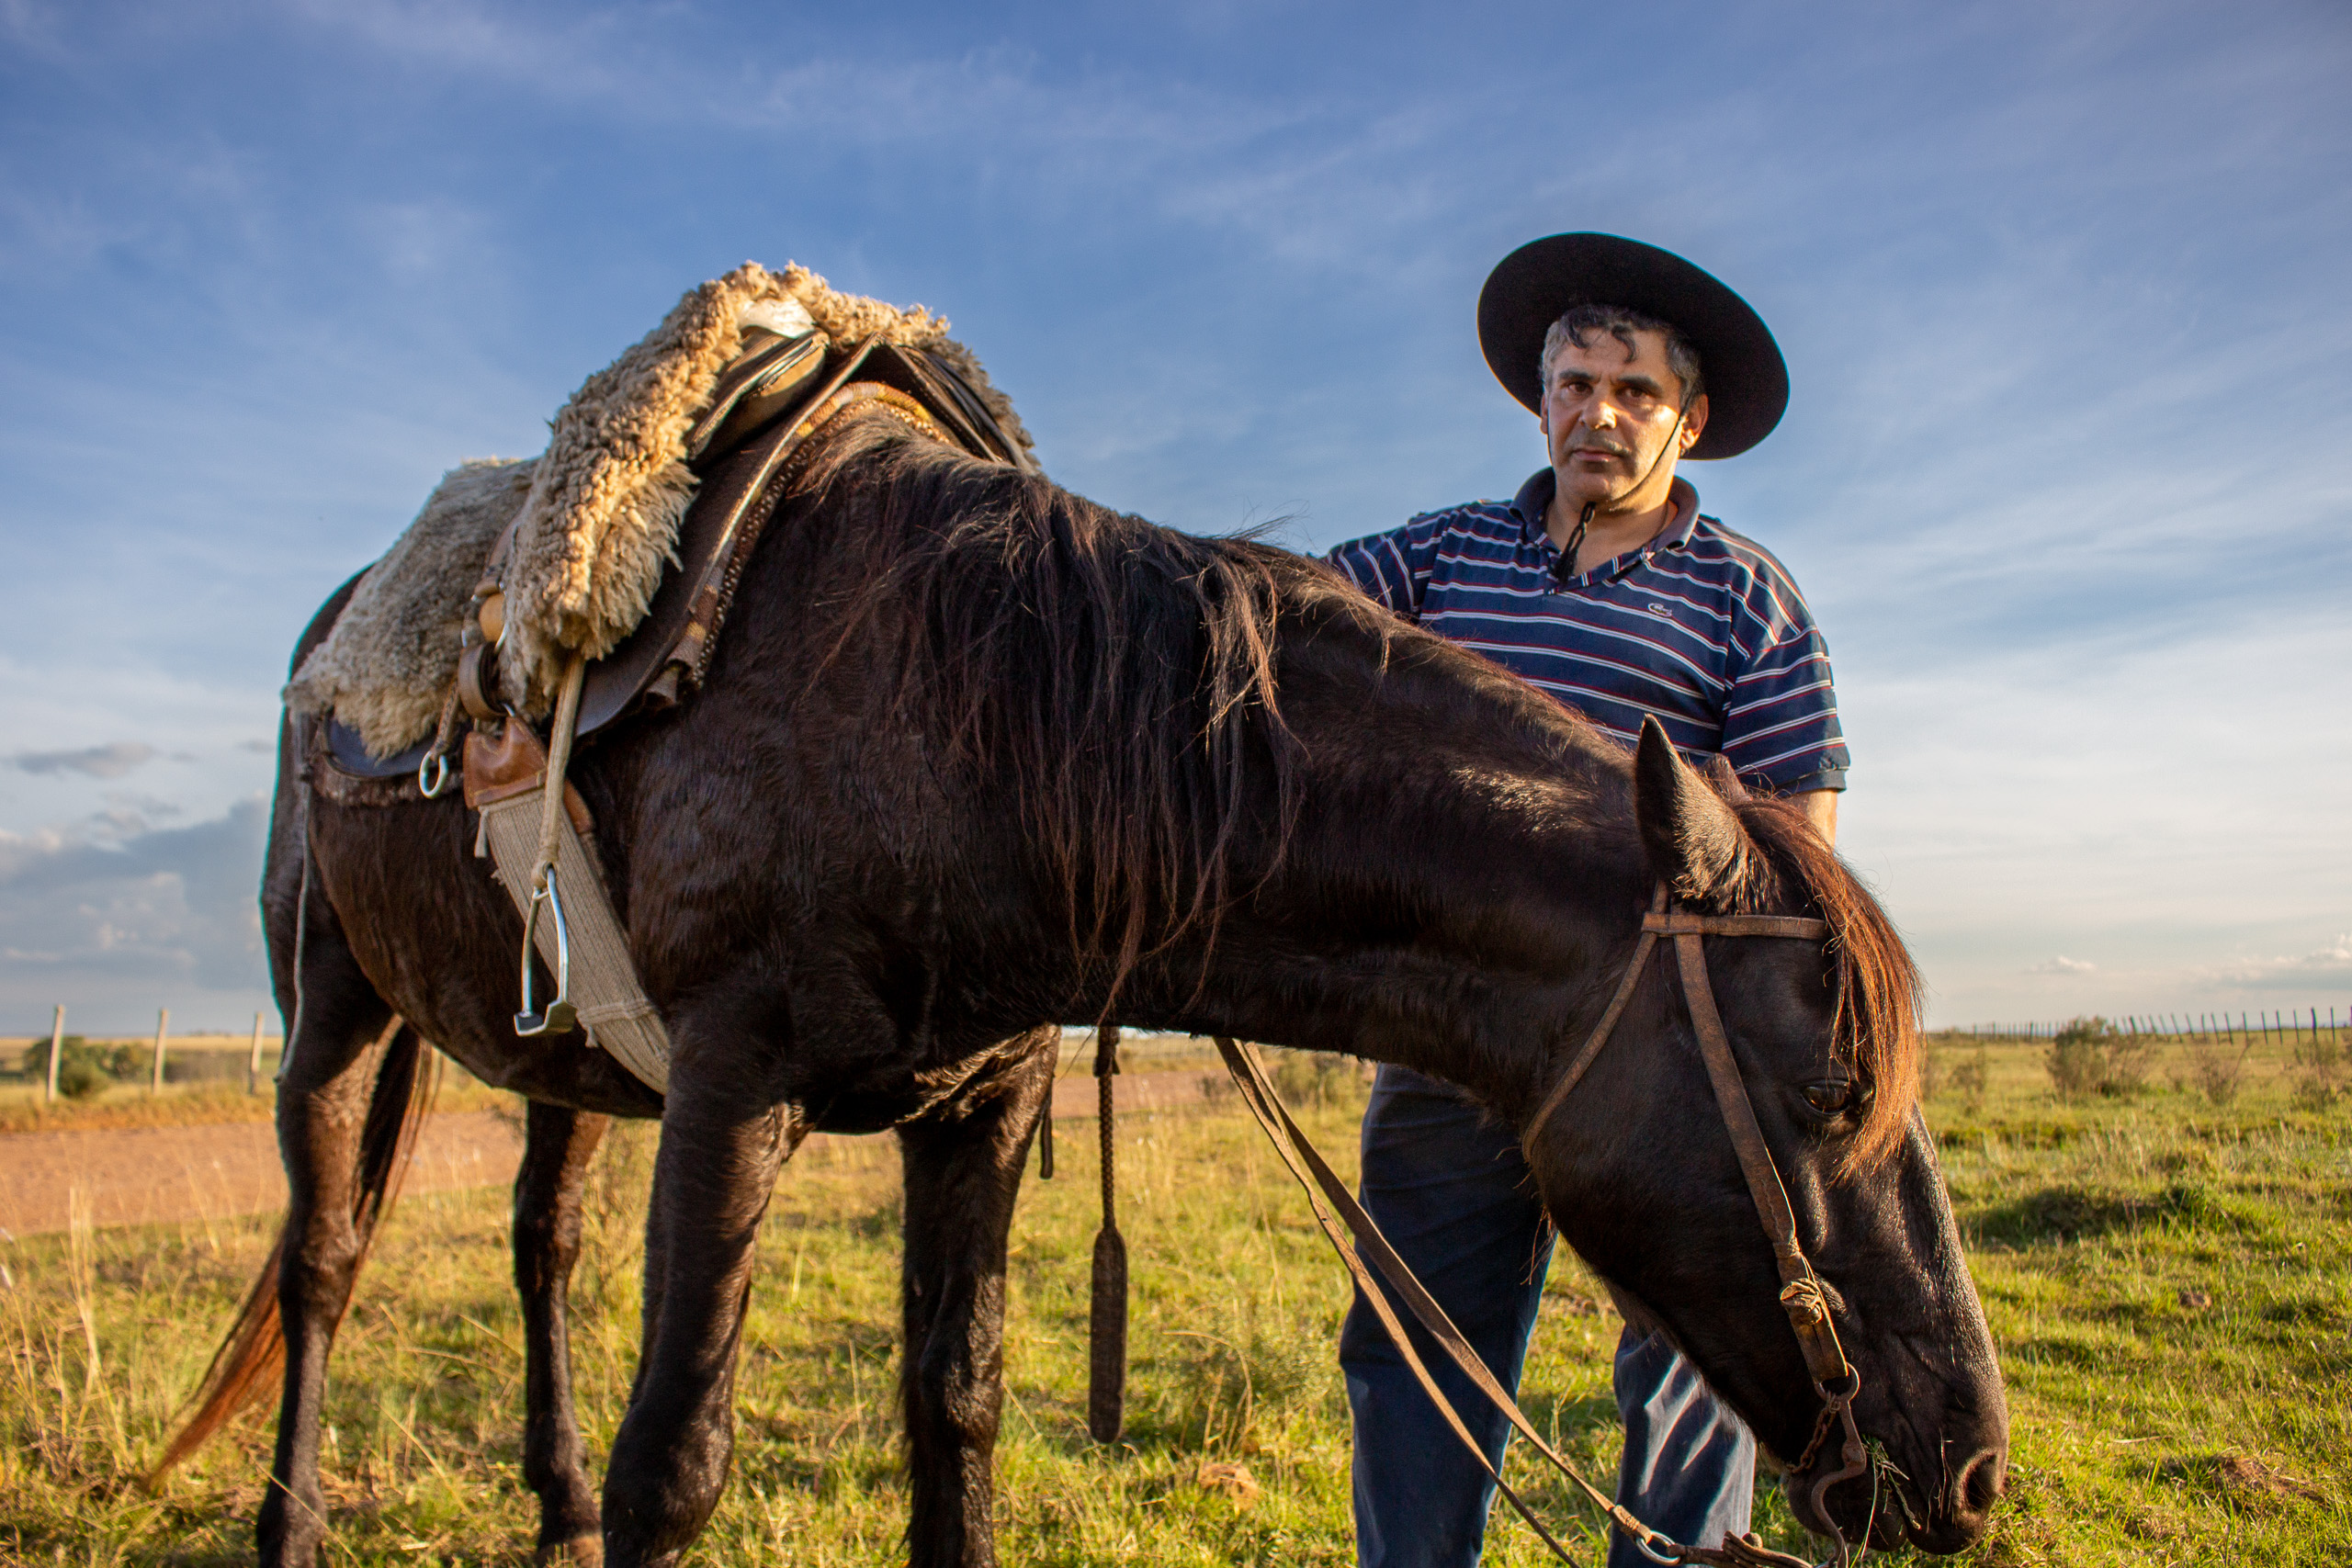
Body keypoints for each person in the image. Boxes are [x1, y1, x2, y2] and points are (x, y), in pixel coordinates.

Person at [1326, 232, 1849, 1568]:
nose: (1596, 415)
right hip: (1453, 1034)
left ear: (1691, 417)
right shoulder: (1442, 557)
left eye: (1631, 391)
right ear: (1540, 398)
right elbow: (1281, 618)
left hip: (1658, 1051)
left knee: (1689, 1368)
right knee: (1418, 1356)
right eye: (1572, 384)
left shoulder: (1747, 600)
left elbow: (1802, 847)